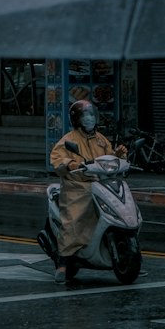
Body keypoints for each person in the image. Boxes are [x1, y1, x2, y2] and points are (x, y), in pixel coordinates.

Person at [49, 98, 127, 285]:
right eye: (85, 115)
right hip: (78, 185)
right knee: (75, 219)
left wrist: (119, 155)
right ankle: (64, 261)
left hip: (102, 183)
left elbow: (108, 157)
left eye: (92, 114)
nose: (90, 119)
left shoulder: (101, 140)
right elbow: (58, 159)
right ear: (77, 120)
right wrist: (71, 163)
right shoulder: (68, 140)